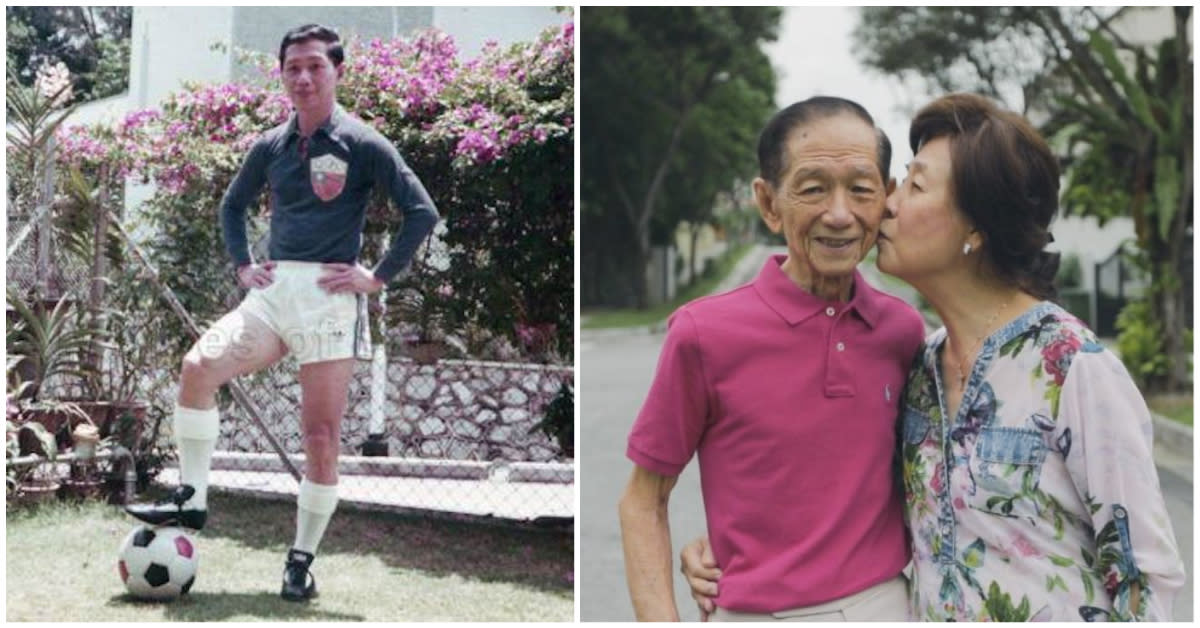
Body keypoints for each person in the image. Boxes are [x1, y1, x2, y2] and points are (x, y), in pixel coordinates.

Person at [682, 93, 1186, 620]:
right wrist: (737, 545)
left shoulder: (1071, 367)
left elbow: (1143, 575)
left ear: (975, 227)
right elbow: (857, 505)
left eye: (916, 185)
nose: (889, 203)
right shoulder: (918, 367)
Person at [125, 23, 440, 602]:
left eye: (315, 65)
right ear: (282, 74)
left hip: (329, 303)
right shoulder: (270, 145)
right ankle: (192, 499)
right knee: (198, 368)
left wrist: (376, 276)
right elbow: (232, 205)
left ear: (336, 71)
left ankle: (300, 560)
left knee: (320, 438)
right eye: (293, 66)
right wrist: (245, 264)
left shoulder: (364, 143)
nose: (303, 76)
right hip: (272, 297)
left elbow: (421, 212)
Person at [618, 96, 927, 621]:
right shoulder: (702, 334)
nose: (839, 213)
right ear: (768, 203)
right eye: (812, 189)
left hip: (885, 606)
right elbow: (643, 501)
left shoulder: (904, 331)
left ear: (887, 199)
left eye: (860, 189)